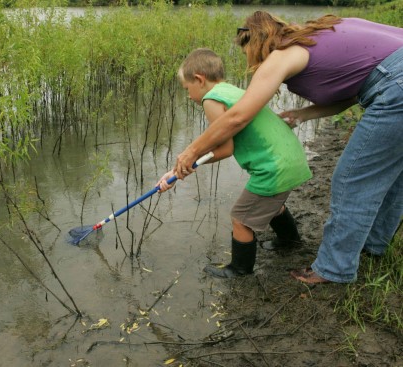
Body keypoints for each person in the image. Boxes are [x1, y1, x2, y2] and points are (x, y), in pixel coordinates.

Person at [173, 12, 403, 284]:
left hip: (395, 86)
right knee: (393, 175)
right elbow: (355, 90)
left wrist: (190, 152)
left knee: (352, 180)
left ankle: (335, 268)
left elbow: (238, 117)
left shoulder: (283, 54)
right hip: (392, 80)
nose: (249, 60)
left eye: (246, 51)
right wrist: (303, 114)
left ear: (256, 42)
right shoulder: (318, 35)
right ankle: (372, 244)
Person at [157, 48, 312, 278]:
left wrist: (184, 167)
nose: (188, 96)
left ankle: (239, 270)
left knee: (240, 219)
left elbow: (225, 149)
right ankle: (289, 243)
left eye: (187, 89)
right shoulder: (232, 90)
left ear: (199, 79)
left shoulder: (212, 99)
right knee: (271, 204)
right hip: (291, 159)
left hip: (273, 168)